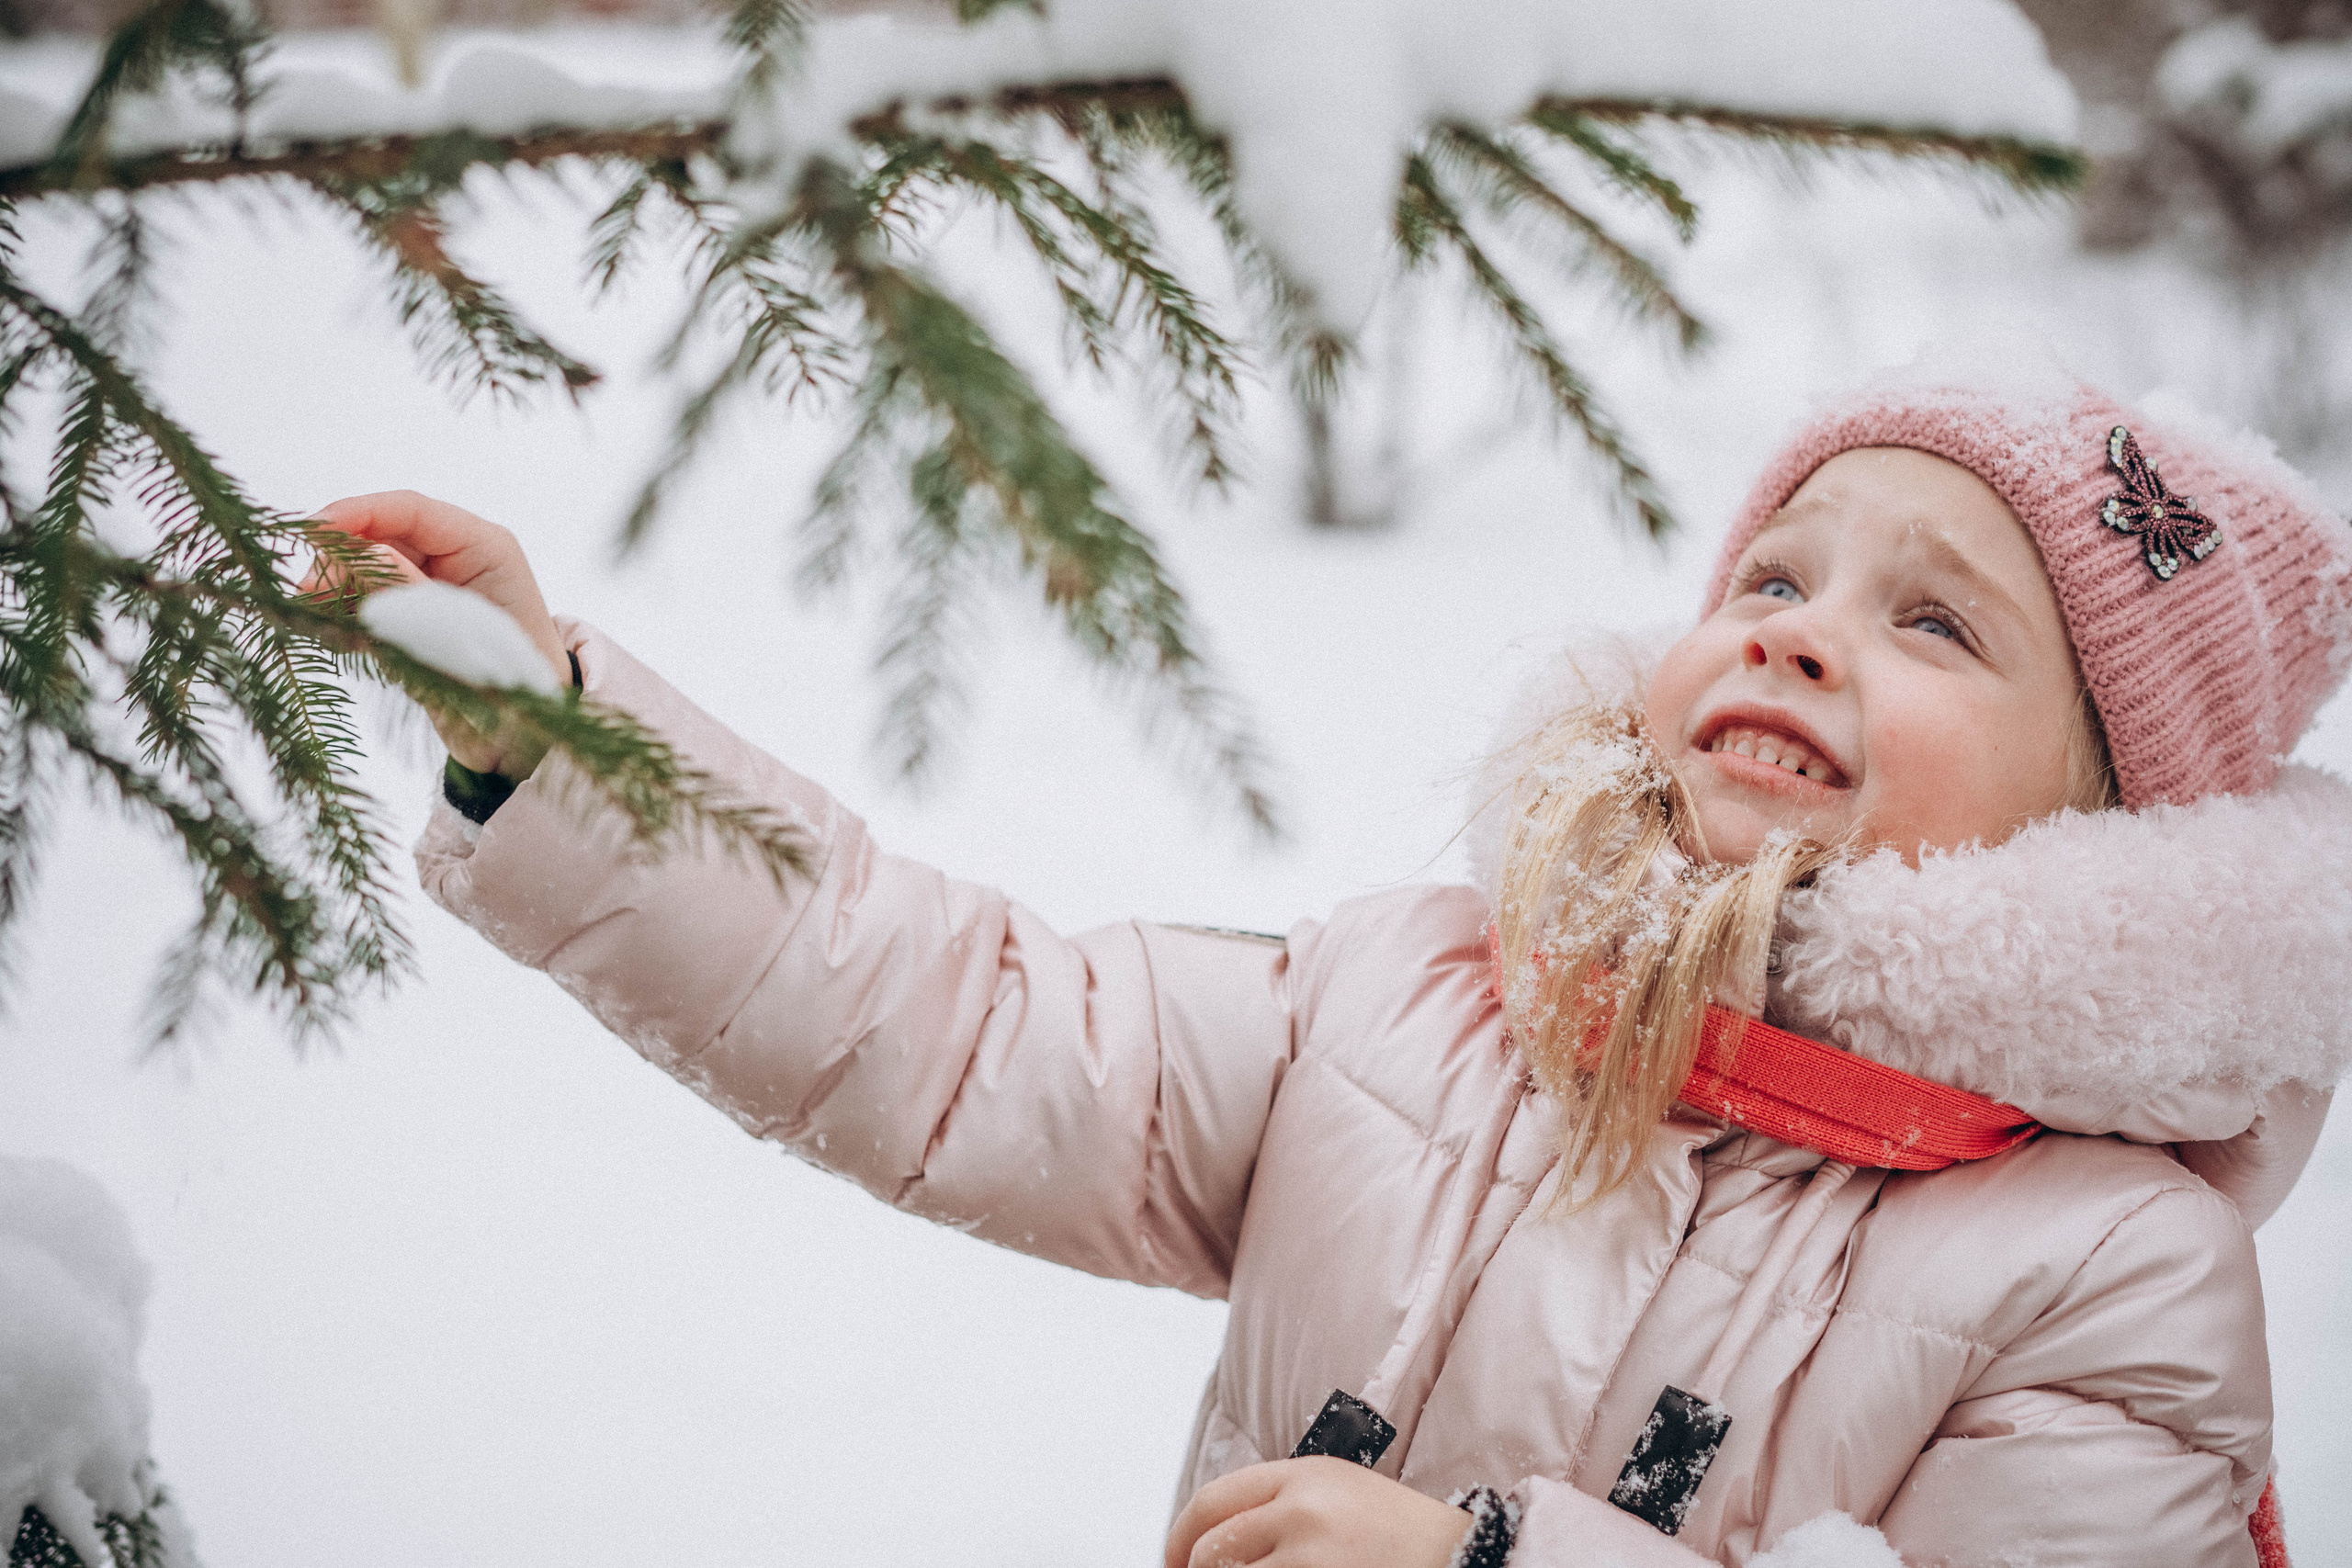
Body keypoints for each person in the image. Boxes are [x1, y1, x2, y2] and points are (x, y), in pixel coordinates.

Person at [315, 352, 2352, 1567]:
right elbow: (947, 1016)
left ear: (2100, 819)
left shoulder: (2107, 1269)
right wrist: (561, 739)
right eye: (1772, 571)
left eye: (1938, 626)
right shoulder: (1422, 1003)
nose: (1801, 630)